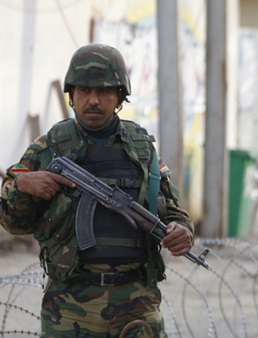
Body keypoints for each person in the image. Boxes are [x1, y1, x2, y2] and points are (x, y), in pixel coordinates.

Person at [0, 43, 195, 337]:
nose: (93, 100)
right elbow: (13, 223)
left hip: (137, 302)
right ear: (71, 95)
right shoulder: (47, 148)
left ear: (119, 96)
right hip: (69, 305)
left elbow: (173, 209)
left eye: (104, 91)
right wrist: (22, 186)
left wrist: (181, 229)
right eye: (84, 91)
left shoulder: (142, 149)